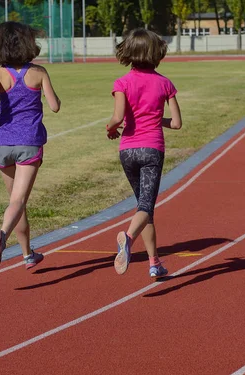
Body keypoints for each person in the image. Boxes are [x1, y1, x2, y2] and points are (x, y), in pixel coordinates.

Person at [0, 21, 61, 271]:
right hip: (30, 142)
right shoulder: (39, 72)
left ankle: (27, 254)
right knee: (18, 201)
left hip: (3, 143)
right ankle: (2, 234)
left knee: (16, 202)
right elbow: (55, 106)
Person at [107, 28, 182, 279]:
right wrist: (156, 119)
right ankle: (128, 239)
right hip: (152, 149)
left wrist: (111, 129)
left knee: (144, 207)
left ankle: (154, 262)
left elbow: (117, 118)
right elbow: (177, 123)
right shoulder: (165, 83)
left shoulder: (122, 83)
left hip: (127, 149)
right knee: (146, 206)